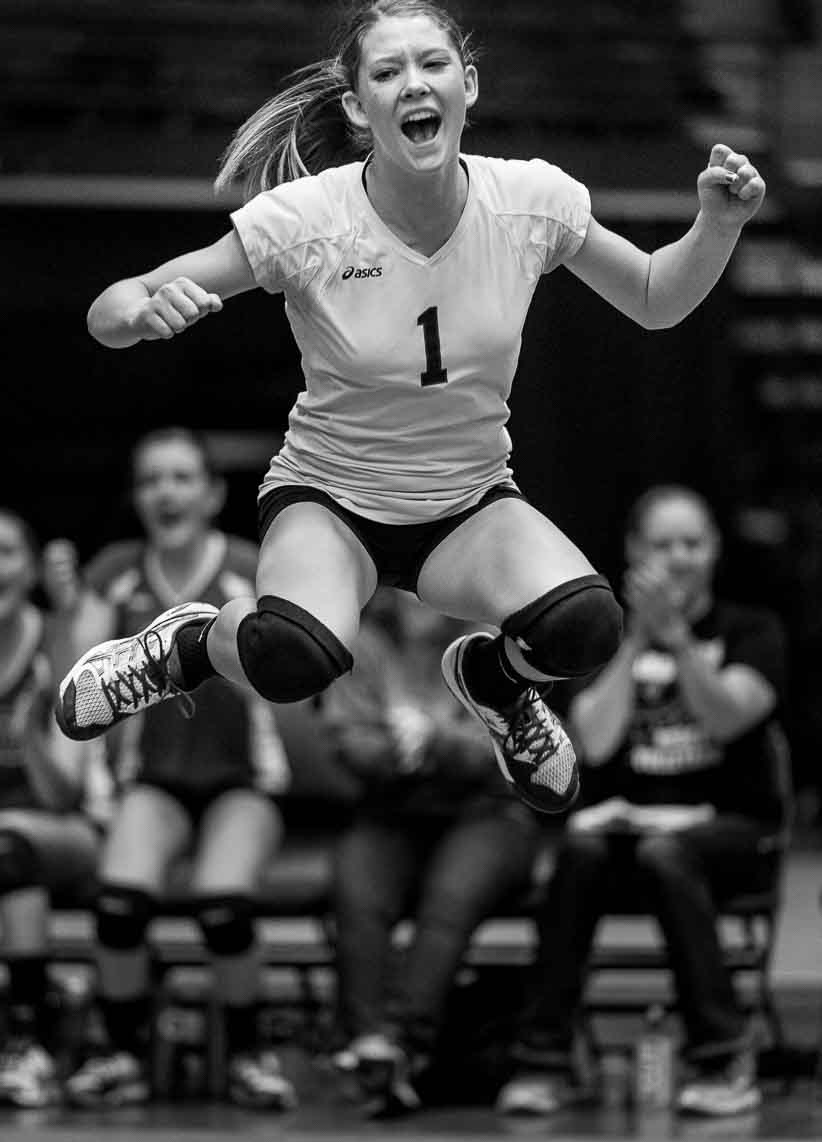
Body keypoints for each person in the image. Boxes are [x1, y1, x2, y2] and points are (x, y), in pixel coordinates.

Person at [55, 1, 765, 824]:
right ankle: (184, 645)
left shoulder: (529, 201)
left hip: (465, 504)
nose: (411, 84)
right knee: (295, 660)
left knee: (587, 627)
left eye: (431, 65)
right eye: (386, 72)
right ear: (359, 107)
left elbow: (654, 298)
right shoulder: (308, 220)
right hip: (332, 499)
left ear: (466, 86)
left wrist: (718, 225)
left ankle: (496, 684)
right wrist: (138, 314)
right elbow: (113, 306)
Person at [497, 485, 790, 1120]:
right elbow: (594, 747)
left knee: (667, 854)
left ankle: (722, 1057)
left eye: (692, 543)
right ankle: (544, 1063)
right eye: (663, 544)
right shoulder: (603, 641)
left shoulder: (754, 631)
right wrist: (634, 642)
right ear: (634, 554)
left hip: (731, 833)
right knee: (577, 852)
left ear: (714, 550)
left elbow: (726, 721)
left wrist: (679, 641)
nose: (679, 558)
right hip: (632, 833)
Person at [49, 427, 295, 1109]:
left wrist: (207, 657)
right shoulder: (115, 572)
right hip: (150, 784)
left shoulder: (250, 568)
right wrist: (70, 612)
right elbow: (79, 685)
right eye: (152, 479)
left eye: (182, 477)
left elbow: (289, 684)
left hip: (241, 785)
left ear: (213, 493)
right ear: (137, 497)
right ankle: (123, 1054)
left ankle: (250, 1055)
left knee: (223, 909)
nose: (166, 492)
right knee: (119, 906)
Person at [322, 589, 542, 1114]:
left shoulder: (496, 644)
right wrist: (405, 750)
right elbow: (348, 742)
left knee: (450, 897)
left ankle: (406, 1045)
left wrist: (434, 740)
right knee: (356, 885)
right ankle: (368, 1042)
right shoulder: (364, 644)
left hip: (488, 812)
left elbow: (515, 746)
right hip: (393, 807)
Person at [0, 511, 102, 1108]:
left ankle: (27, 1044)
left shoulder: (58, 645)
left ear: (31, 568)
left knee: (10, 848)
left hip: (65, 830)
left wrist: (28, 734)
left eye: (7, 552)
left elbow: (65, 792)